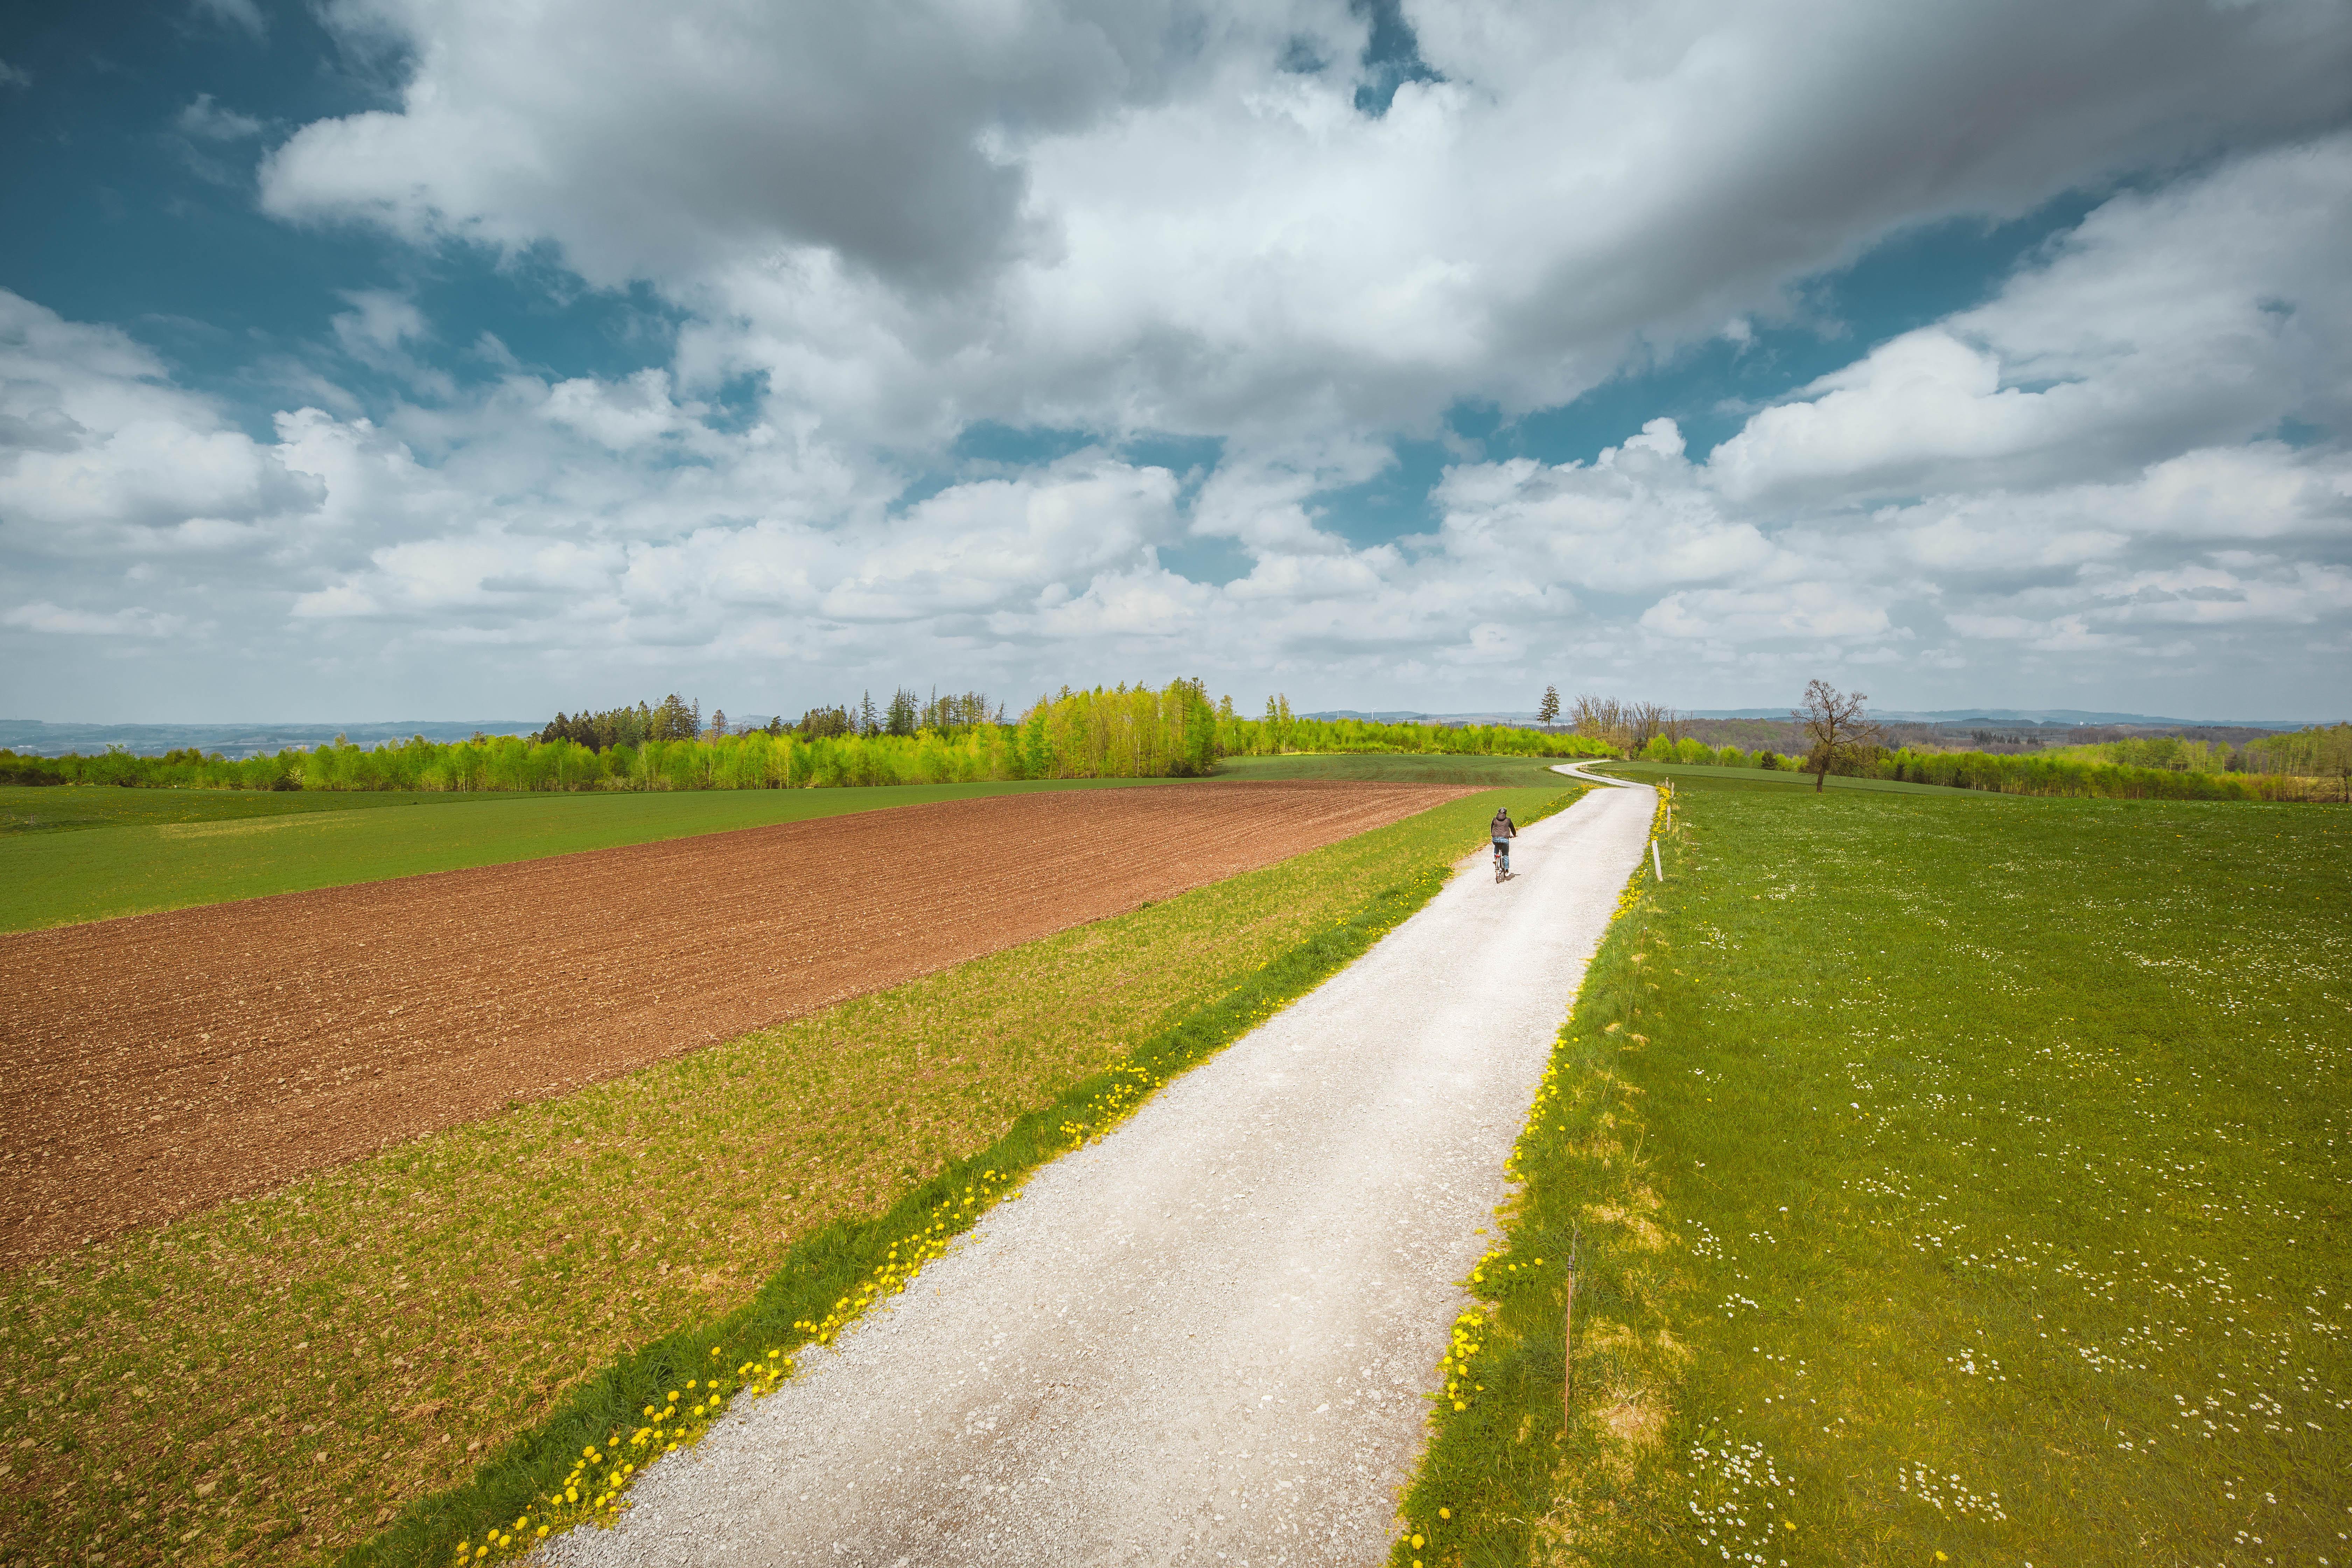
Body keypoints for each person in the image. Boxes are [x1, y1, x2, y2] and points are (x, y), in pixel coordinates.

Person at [1491, 806, 1517, 877]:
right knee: (1505, 855)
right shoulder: (1508, 820)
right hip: (1504, 839)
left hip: (1495, 838)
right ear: (1506, 813)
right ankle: (1506, 871)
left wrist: (1493, 834)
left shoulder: (1494, 820)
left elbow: (1492, 827)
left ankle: (1495, 858)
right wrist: (1514, 835)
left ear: (1499, 813)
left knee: (1497, 845)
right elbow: (1512, 829)